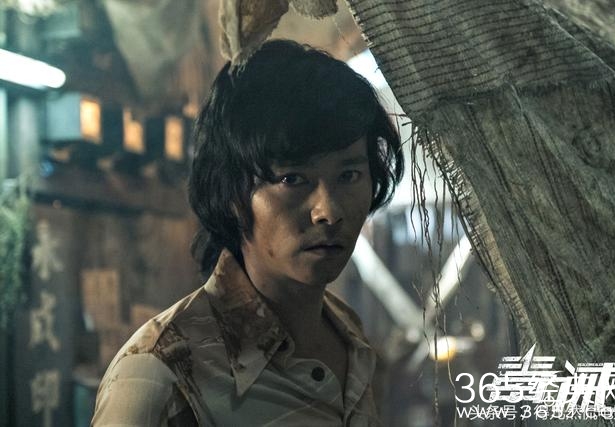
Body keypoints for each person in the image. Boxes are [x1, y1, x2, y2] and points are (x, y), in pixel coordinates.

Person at [91, 39, 403, 426]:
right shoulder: (160, 374)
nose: (329, 211)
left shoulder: (349, 337)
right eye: (293, 179)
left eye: (349, 175)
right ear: (231, 194)